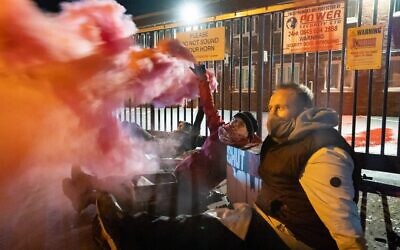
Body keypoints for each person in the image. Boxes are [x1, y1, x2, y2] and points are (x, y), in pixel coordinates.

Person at [94, 82, 366, 250]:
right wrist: (202, 80)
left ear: (301, 111)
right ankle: (124, 219)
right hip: (268, 219)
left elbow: (343, 221)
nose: (271, 115)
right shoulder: (286, 141)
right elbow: (209, 109)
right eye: (270, 107)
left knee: (204, 229)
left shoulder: (323, 151)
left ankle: (128, 232)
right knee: (202, 223)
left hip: (291, 237)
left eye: (281, 108)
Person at [62, 64, 261, 215]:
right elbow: (209, 106)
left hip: (189, 188)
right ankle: (86, 187)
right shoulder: (219, 130)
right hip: (181, 170)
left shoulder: (241, 153)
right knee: (134, 176)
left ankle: (88, 192)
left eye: (240, 125)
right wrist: (202, 80)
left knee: (138, 194)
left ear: (248, 135)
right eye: (235, 120)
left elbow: (258, 159)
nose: (233, 124)